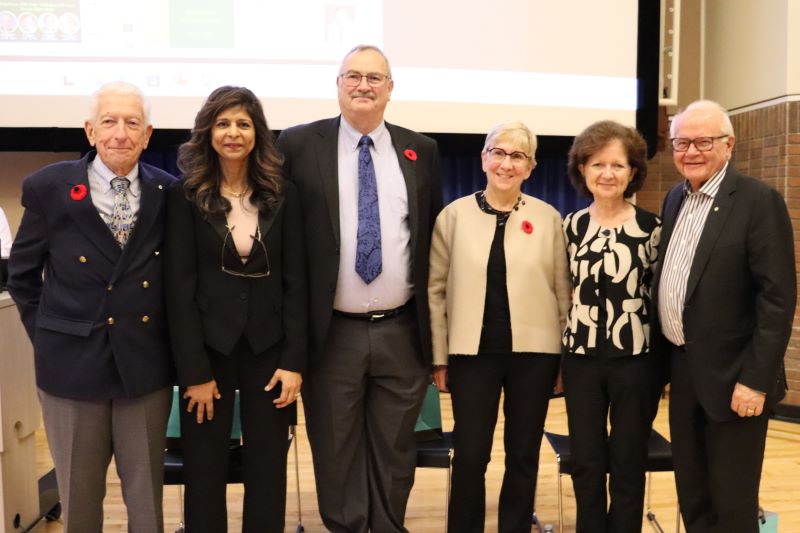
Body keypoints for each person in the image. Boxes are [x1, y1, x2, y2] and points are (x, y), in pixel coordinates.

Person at [277, 45, 443, 532]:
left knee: (395, 447)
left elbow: (429, 238)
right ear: (338, 83)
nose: (364, 85)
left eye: (375, 77)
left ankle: (388, 526)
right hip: (332, 333)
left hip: (401, 328)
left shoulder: (421, 150)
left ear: (391, 88)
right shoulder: (298, 144)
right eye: (354, 76)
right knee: (335, 445)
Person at [7, 81, 174, 533]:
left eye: (132, 123)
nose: (120, 133)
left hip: (144, 369)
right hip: (71, 371)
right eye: (109, 121)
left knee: (147, 505)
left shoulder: (169, 192)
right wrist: (48, 336)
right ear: (89, 131)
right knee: (79, 503)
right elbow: (22, 277)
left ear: (148, 134)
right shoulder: (48, 187)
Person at [164, 86, 306, 533]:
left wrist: (293, 362)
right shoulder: (186, 195)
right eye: (223, 123)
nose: (233, 133)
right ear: (208, 131)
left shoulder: (284, 194)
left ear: (257, 133)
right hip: (208, 352)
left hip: (269, 349)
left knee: (268, 469)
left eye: (243, 124)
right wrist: (193, 373)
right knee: (204, 470)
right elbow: (178, 290)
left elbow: (298, 282)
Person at [652, 100, 795, 533]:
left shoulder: (757, 201)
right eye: (681, 143)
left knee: (733, 506)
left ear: (728, 144)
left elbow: (777, 299)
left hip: (737, 382)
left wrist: (754, 380)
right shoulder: (676, 197)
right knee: (693, 498)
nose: (690, 151)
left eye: (703, 141)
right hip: (685, 372)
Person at [428, 121, 570, 533]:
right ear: (484, 159)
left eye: (518, 156)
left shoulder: (548, 218)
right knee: (471, 454)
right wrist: (439, 356)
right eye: (499, 153)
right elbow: (435, 292)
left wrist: (562, 358)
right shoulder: (452, 216)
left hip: (536, 355)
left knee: (523, 453)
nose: (507, 163)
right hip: (472, 355)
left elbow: (564, 292)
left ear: (531, 167)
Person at [561, 120, 663, 533]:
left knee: (628, 460)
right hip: (581, 360)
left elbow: (660, 297)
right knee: (586, 461)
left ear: (633, 171)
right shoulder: (569, 227)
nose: (608, 174)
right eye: (598, 164)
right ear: (582, 170)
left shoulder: (652, 229)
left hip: (635, 362)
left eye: (618, 166)